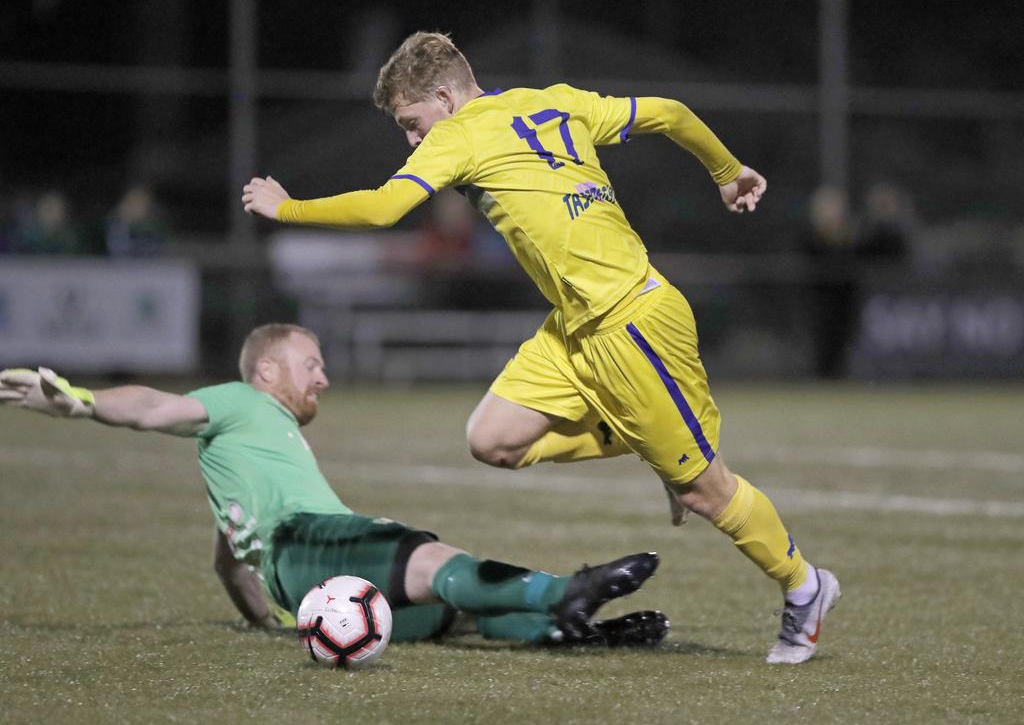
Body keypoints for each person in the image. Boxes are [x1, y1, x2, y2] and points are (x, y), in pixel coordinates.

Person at [241, 32, 840, 664]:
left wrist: (290, 208)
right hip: (573, 327)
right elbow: (669, 112)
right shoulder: (552, 101)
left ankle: (805, 587)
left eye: (412, 124)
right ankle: (649, 439)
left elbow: (386, 208)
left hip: (633, 322)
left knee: (704, 491)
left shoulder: (460, 134)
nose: (414, 142)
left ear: (444, 98)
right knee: (493, 439)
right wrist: (727, 170)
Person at [0, 323, 666, 648]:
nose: (321, 379)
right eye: (311, 365)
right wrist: (82, 401)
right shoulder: (240, 400)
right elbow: (153, 406)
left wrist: (269, 619)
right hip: (312, 544)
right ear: (266, 370)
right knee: (429, 560)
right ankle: (564, 589)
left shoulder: (250, 453)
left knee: (455, 616)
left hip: (305, 577)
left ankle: (567, 632)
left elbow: (228, 561)